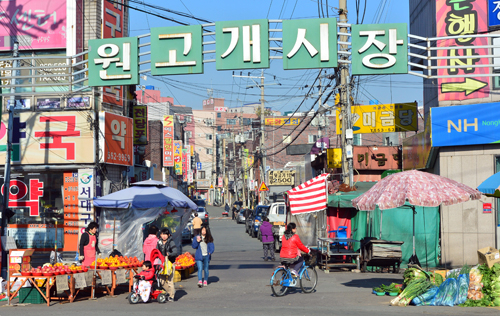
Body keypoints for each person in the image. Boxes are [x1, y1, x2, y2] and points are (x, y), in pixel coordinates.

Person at [156, 228, 177, 302]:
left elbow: (175, 251)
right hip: (162, 264)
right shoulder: (159, 242)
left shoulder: (171, 242)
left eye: (165, 234)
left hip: (170, 263)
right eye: (162, 234)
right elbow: (156, 251)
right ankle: (170, 292)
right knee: (162, 280)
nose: (164, 236)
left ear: (168, 235)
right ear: (160, 235)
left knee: (170, 280)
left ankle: (171, 296)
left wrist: (169, 254)